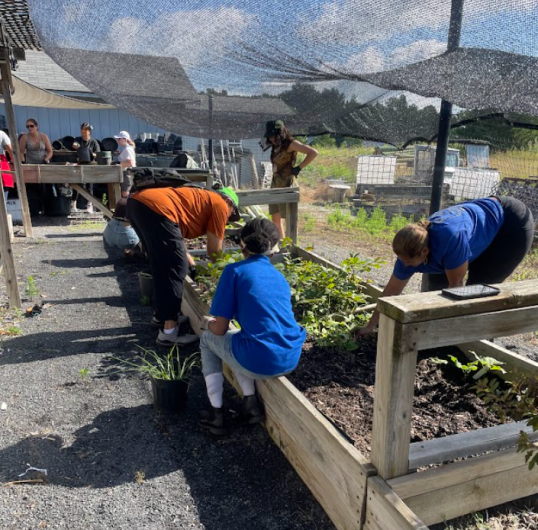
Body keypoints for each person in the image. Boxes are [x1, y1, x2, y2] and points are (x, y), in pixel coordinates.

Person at [358, 196, 534, 335]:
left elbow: (456, 289)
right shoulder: (410, 250)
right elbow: (390, 292)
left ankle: (475, 347)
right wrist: (370, 326)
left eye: (409, 261)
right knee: (435, 291)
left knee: (479, 291)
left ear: (424, 252)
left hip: (509, 223)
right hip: (476, 224)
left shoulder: (449, 240)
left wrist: (446, 333)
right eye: (402, 260)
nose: (405, 265)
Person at [198, 218, 306, 435]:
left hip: (259, 360)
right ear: (273, 250)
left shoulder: (235, 271)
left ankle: (216, 413)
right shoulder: (279, 276)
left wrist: (206, 322)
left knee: (208, 340)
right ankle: (251, 406)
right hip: (291, 356)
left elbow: (219, 330)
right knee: (239, 338)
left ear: (241, 244)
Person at [127, 185, 241, 346]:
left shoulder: (199, 201)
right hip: (155, 207)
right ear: (229, 202)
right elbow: (214, 251)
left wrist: (193, 266)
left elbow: (175, 240)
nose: (228, 219)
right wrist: (227, 275)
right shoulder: (221, 204)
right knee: (176, 270)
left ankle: (162, 315)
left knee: (160, 264)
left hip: (137, 204)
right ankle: (169, 332)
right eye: (231, 215)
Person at [261, 120, 318, 237]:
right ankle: (281, 244)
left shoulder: (290, 143)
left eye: (272, 136)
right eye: (269, 136)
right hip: (275, 184)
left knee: (289, 218)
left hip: (287, 185)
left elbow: (313, 152)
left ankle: (290, 245)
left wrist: (298, 168)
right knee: (275, 218)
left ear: (280, 132)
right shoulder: (276, 145)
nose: (271, 139)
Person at [72, 123, 101, 213]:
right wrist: (76, 146)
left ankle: (89, 205)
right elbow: (74, 144)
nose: (83, 131)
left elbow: (98, 153)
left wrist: (92, 153)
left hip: (90, 165)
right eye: (82, 129)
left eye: (85, 130)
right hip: (79, 164)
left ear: (89, 131)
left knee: (89, 185)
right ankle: (73, 204)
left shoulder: (93, 142)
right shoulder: (78, 139)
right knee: (76, 184)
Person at [114, 131, 136, 197]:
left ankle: (126, 206)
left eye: (119, 138)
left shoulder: (127, 149)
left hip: (127, 174)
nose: (118, 140)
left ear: (125, 139)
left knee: (125, 194)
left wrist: (118, 164)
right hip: (126, 174)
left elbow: (130, 163)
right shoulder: (127, 148)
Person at [0, 129, 14, 202]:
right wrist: (13, 161)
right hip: (1, 161)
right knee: (4, 186)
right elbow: (10, 151)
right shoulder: (1, 133)